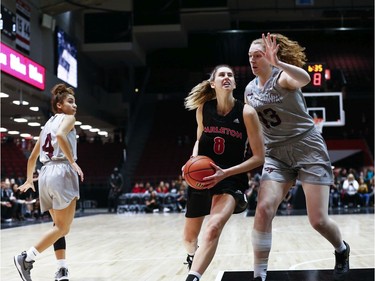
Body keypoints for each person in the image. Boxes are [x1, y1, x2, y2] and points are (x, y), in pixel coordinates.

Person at [244, 33, 350, 281]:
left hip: (307, 148)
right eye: (249, 56)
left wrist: (278, 63)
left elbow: (303, 79)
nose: (252, 60)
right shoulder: (249, 90)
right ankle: (259, 275)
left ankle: (341, 249)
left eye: (257, 55)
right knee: (263, 209)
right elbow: (257, 124)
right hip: (277, 154)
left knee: (318, 221)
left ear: (270, 57)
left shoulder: (282, 78)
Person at [182, 65, 265, 281]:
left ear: (235, 84)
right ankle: (193, 256)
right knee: (189, 240)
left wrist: (225, 173)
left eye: (230, 75)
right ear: (213, 83)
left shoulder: (246, 112)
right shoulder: (203, 109)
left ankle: (193, 278)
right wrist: (192, 160)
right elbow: (199, 140)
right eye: (222, 75)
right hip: (202, 179)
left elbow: (259, 157)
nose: (227, 77)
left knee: (213, 227)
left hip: (231, 180)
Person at [13, 83, 84, 281]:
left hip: (44, 174)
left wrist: (29, 179)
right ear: (60, 105)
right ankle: (26, 257)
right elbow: (61, 136)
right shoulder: (69, 119)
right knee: (63, 228)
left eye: (75, 101)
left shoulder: (47, 125)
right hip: (61, 171)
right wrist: (73, 162)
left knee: (57, 225)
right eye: (71, 101)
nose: (75, 105)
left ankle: (62, 270)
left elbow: (32, 157)